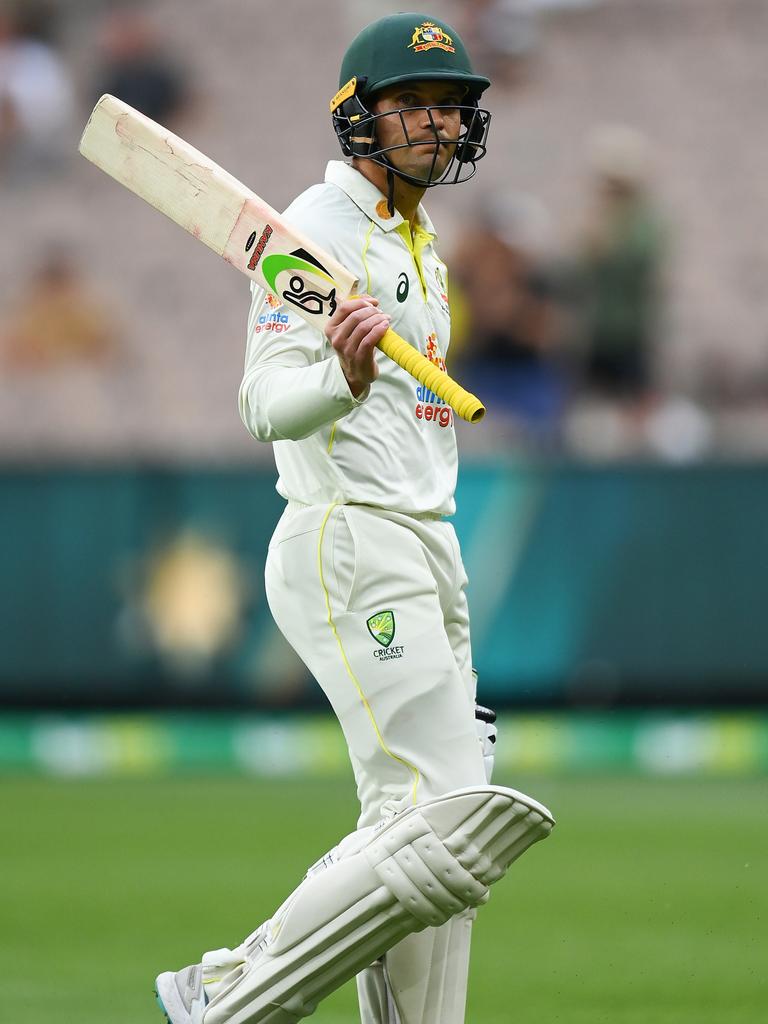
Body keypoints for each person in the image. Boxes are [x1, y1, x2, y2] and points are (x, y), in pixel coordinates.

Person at [154, 14, 554, 1024]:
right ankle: (231, 990)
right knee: (450, 811)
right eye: (413, 104)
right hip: (350, 533)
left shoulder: (421, 246)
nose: (437, 122)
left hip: (429, 536)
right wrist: (340, 375)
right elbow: (262, 403)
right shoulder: (315, 234)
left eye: (451, 105)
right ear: (357, 118)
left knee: (427, 831)